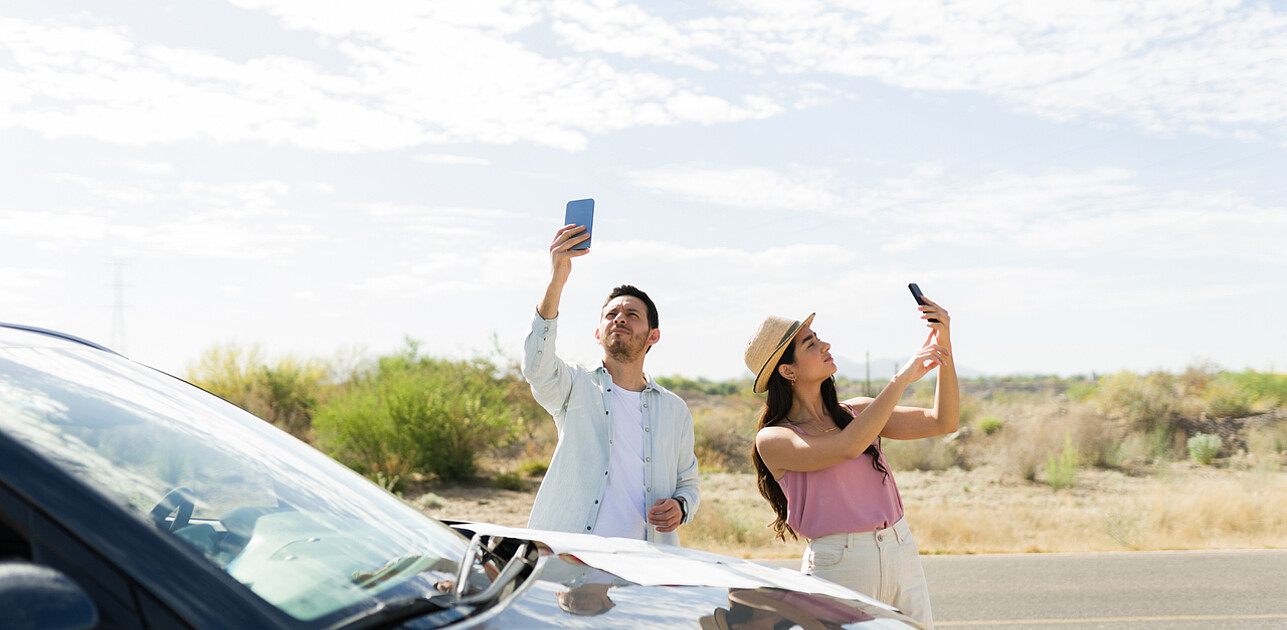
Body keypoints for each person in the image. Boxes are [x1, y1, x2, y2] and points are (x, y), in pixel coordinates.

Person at [743, 293, 957, 628]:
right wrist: (900, 379)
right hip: (839, 565)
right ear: (787, 370)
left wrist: (943, 344)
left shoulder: (856, 412)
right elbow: (847, 447)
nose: (825, 344)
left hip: (900, 549)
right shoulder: (774, 438)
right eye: (811, 344)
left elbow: (943, 421)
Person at [521, 223, 700, 545]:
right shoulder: (573, 385)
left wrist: (680, 506)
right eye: (611, 314)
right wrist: (557, 279)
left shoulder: (674, 408)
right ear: (597, 333)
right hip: (571, 554)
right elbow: (536, 367)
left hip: (646, 562)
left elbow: (688, 484)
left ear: (653, 336)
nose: (619, 318)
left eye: (632, 314)